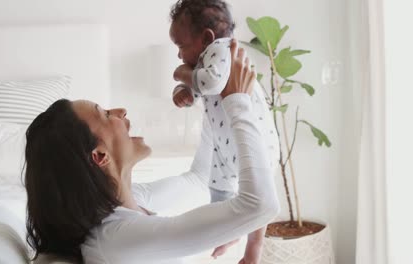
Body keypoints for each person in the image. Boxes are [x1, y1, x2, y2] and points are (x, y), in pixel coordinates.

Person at [24, 39, 280, 264]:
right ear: (99, 156)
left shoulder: (128, 203)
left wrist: (211, 95)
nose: (120, 111)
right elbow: (261, 205)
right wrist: (238, 102)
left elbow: (200, 179)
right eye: (104, 114)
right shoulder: (116, 239)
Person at [169, 0, 280, 261]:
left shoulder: (222, 49)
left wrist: (181, 74)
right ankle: (228, 232)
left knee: (257, 197)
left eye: (181, 46)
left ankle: (254, 248)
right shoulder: (204, 61)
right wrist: (182, 92)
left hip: (253, 141)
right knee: (218, 194)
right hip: (224, 144)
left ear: (206, 38)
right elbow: (198, 89)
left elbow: (210, 82)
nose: (179, 55)